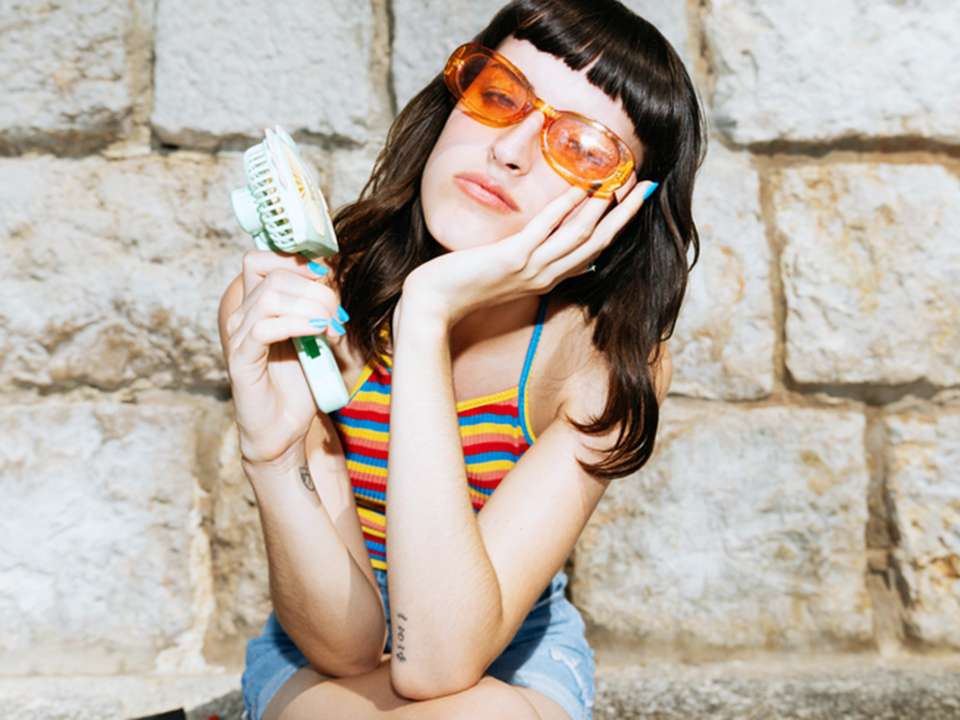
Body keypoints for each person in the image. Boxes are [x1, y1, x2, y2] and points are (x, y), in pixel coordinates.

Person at [218, 1, 705, 718]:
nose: (509, 149)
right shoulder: (303, 299)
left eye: (581, 147)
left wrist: (427, 316)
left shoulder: (600, 359)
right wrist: (270, 452)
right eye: (501, 95)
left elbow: (439, 662)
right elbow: (347, 645)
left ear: (622, 209)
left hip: (512, 659)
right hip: (322, 650)